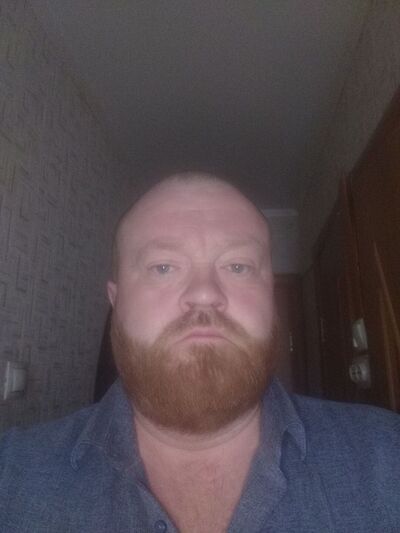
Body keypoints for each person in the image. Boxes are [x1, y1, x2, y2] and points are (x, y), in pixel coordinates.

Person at [0, 172, 399, 533]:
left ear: (271, 297)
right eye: (163, 267)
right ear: (116, 301)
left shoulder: (387, 456)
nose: (205, 293)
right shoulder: (12, 477)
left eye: (238, 267)